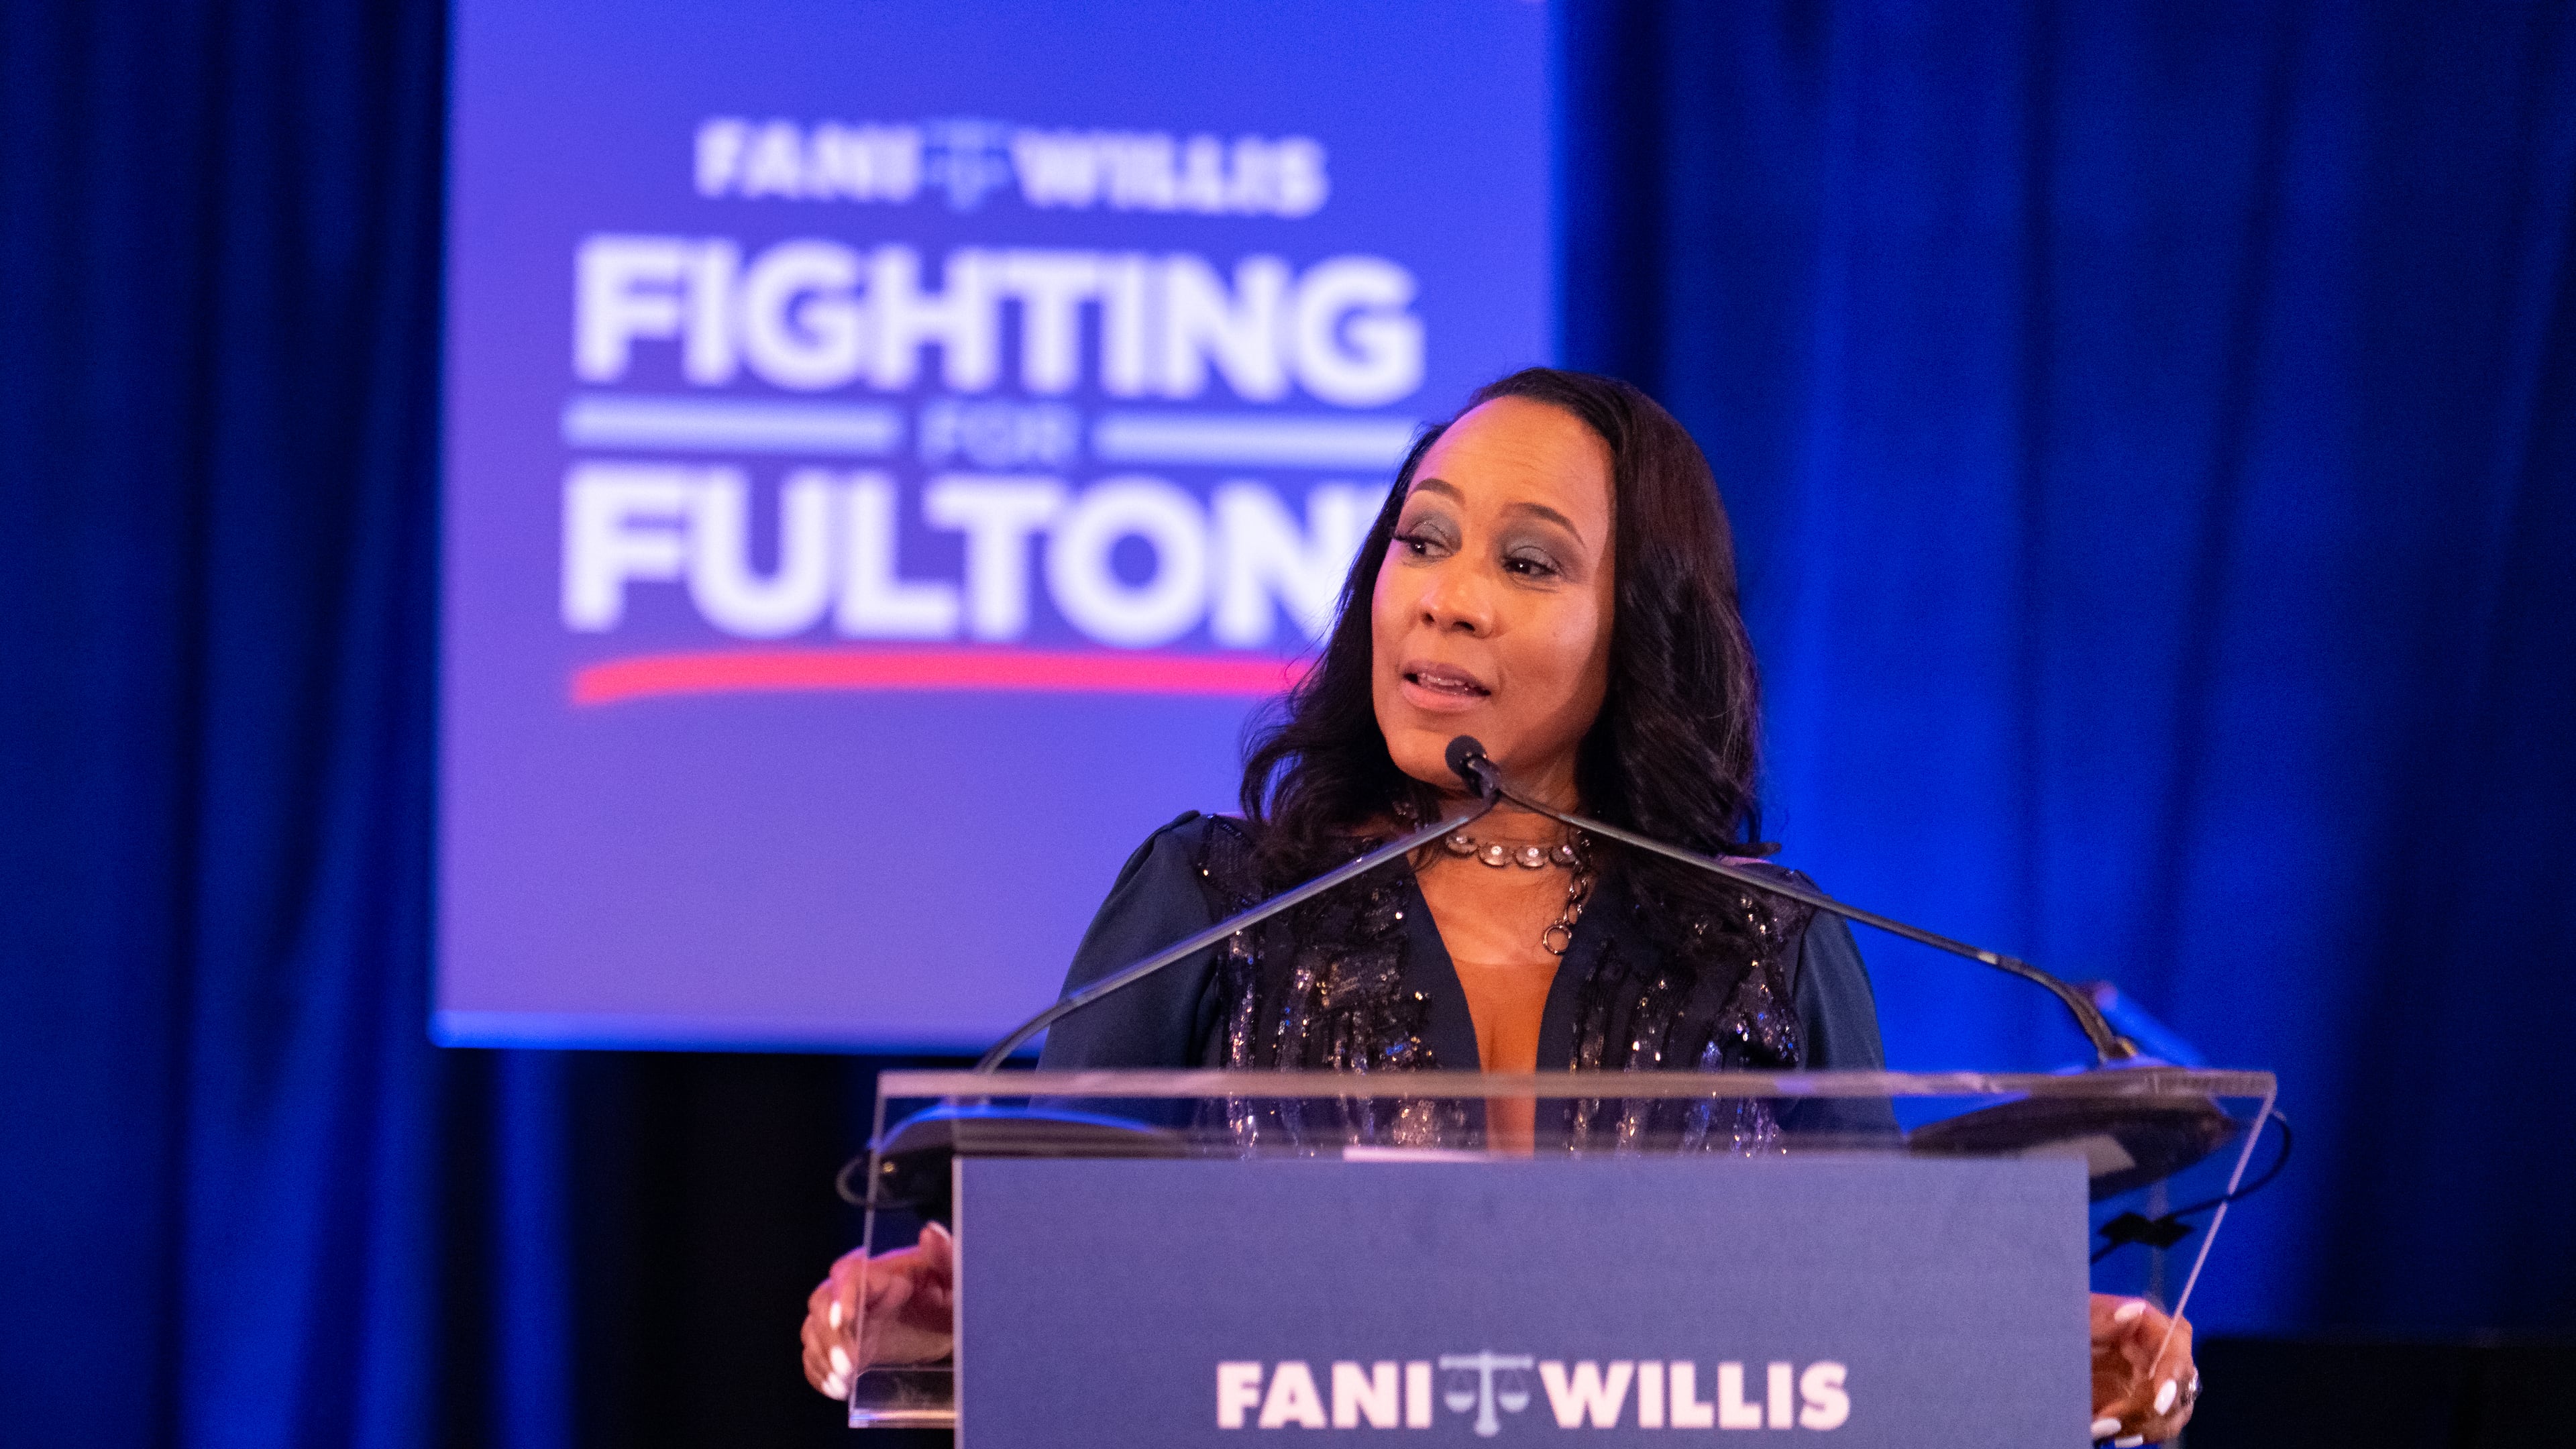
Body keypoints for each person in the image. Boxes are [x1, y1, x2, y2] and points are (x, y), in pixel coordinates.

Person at [800, 369, 2198, 1444]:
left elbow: (1875, 1324)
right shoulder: (1214, 903)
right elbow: (1055, 1281)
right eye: (1425, 542)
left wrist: (2023, 1342)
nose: (1448, 600)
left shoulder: (1765, 943)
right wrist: (958, 1313)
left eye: (1526, 564)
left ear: (1633, 629)